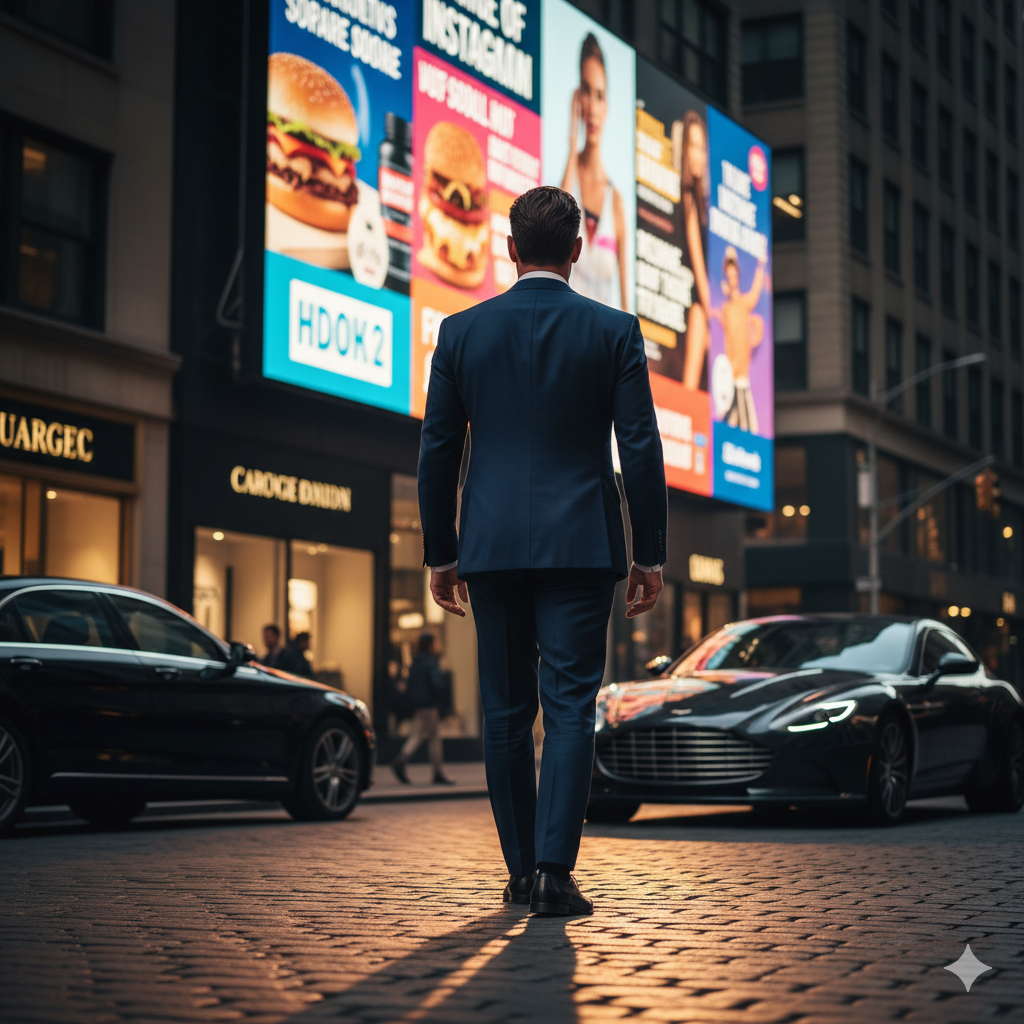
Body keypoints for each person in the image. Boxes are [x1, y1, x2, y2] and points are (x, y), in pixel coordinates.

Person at [418, 185, 667, 916]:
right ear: (578, 251)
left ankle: (521, 871)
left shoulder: (460, 332)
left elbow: (437, 448)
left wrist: (442, 551)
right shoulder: (615, 330)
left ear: (509, 248)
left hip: (490, 549)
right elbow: (642, 447)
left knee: (502, 714)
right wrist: (648, 553)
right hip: (584, 545)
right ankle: (556, 874)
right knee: (569, 710)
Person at [559, 33, 629, 312]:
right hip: (563, 338)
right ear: (578, 100)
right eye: (586, 92)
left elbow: (626, 309)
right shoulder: (567, 180)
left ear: (607, 105)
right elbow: (557, 234)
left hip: (602, 348)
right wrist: (571, 143)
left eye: (599, 95)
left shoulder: (616, 203)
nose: (592, 107)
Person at [671, 111, 712, 390]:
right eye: (692, 146)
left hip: (703, 305)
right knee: (690, 389)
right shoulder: (687, 197)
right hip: (696, 306)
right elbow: (698, 263)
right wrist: (715, 317)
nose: (698, 155)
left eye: (702, 148)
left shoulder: (701, 202)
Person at [712, 246, 767, 434]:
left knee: (747, 425)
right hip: (730, 377)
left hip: (741, 378)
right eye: (729, 274)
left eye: (734, 274)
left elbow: (755, 293)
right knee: (732, 420)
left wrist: (760, 268)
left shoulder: (744, 304)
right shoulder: (726, 309)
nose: (731, 278)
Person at [391, 633, 455, 786]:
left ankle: (437, 772)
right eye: (435, 642)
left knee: (430, 737)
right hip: (430, 706)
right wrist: (441, 701)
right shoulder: (431, 662)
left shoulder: (415, 662)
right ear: (430, 645)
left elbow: (410, 685)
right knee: (423, 736)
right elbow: (437, 684)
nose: (437, 646)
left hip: (418, 705)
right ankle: (402, 760)